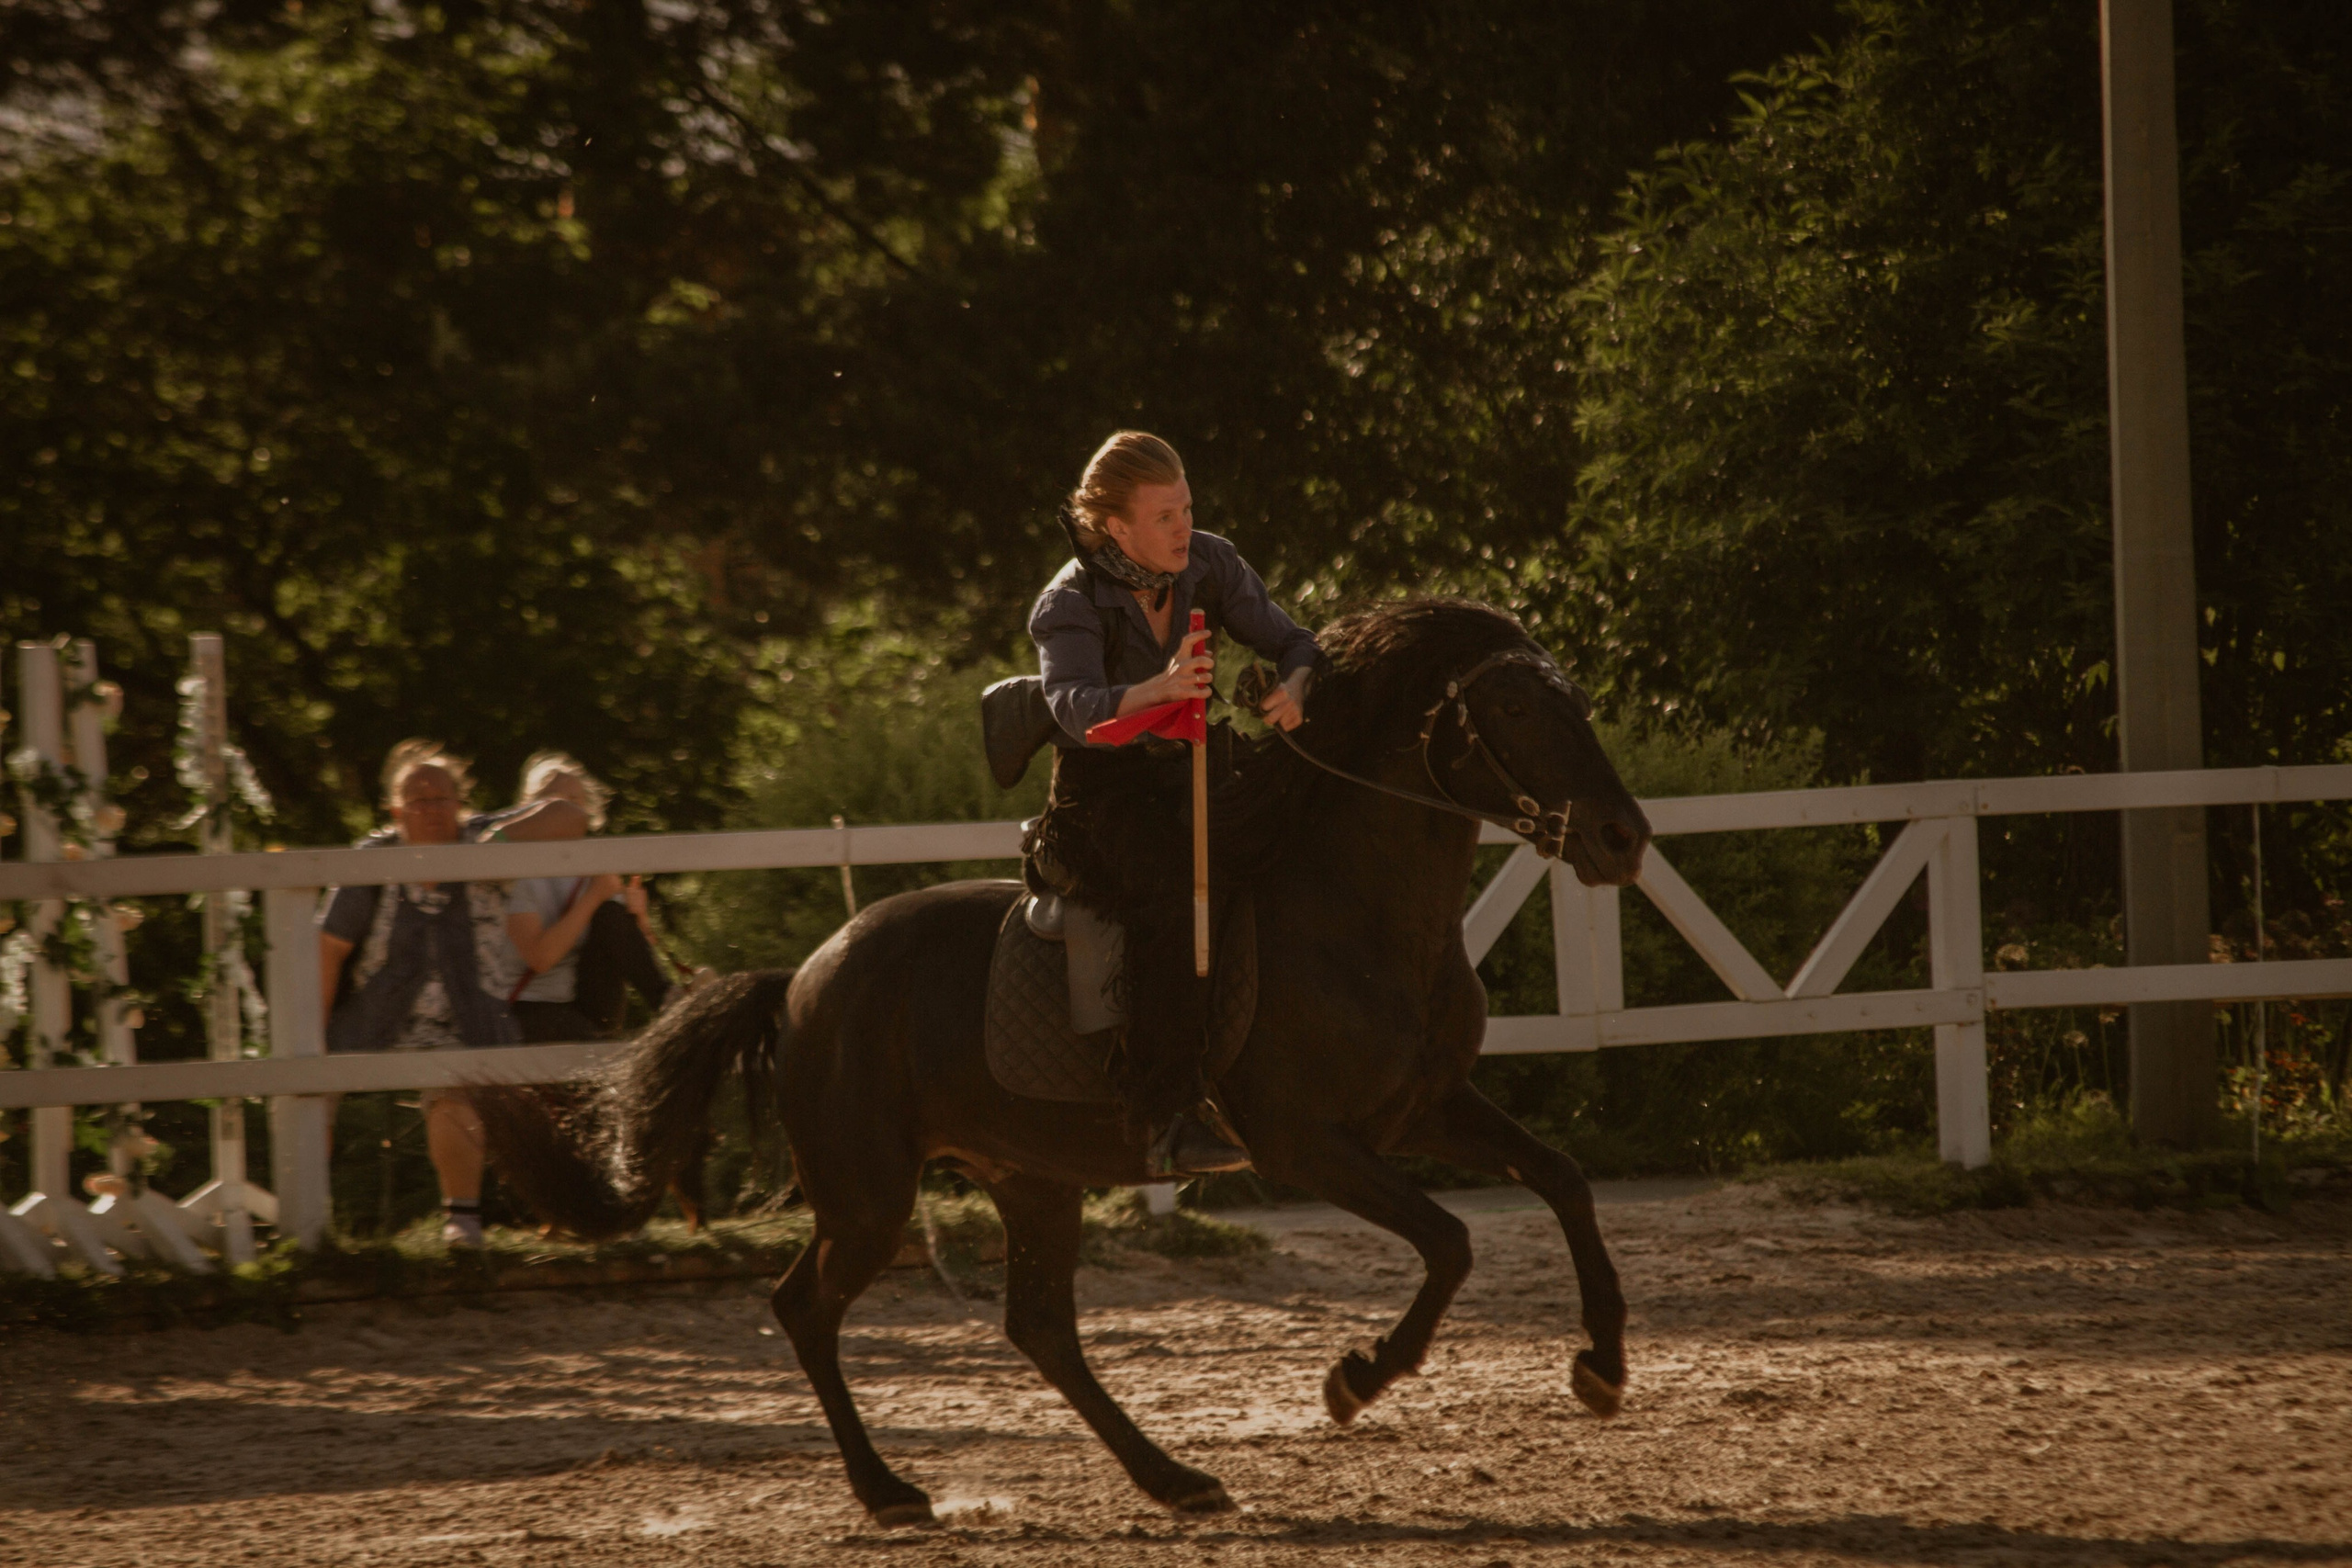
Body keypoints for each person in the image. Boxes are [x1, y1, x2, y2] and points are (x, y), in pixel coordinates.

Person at [1025, 431, 1318, 1176]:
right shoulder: (1066, 601)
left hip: (1193, 766)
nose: (1185, 527)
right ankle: (1166, 1115)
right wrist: (1161, 687)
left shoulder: (1211, 560)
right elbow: (1074, 710)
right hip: (1102, 794)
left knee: (1301, 841)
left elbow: (1295, 640)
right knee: (1174, 892)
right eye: (1165, 516)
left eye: (1188, 507)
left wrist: (1296, 686)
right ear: (1116, 527)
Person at [316, 741, 559, 1248]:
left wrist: (495, 845)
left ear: (460, 803)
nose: (429, 809)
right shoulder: (373, 858)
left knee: (456, 1091)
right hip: (375, 1018)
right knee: (307, 1091)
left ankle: (462, 1222)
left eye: (440, 797)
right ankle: (309, 1223)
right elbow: (328, 947)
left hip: (467, 1022)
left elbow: (569, 814)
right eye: (416, 798)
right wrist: (311, 1034)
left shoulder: (483, 842)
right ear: (395, 809)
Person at [501, 751, 676, 1043]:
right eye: (553, 799)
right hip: (526, 1008)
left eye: (575, 801)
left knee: (610, 914)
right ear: (529, 808)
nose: (565, 809)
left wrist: (638, 920)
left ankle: (671, 1004)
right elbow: (540, 959)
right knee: (606, 1061)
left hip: (582, 1005)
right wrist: (593, 898)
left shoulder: (593, 875)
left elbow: (628, 954)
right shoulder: (515, 875)